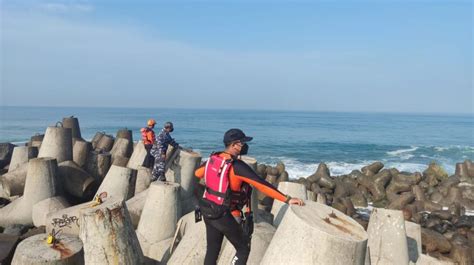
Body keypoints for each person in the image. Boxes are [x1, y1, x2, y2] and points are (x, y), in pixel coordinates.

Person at [194, 128, 305, 265]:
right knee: (243, 248)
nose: (245, 146)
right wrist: (287, 199)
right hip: (222, 214)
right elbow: (262, 185)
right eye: (242, 143)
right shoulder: (237, 166)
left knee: (212, 250)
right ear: (234, 145)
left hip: (207, 209)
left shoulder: (214, 158)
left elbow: (198, 173)